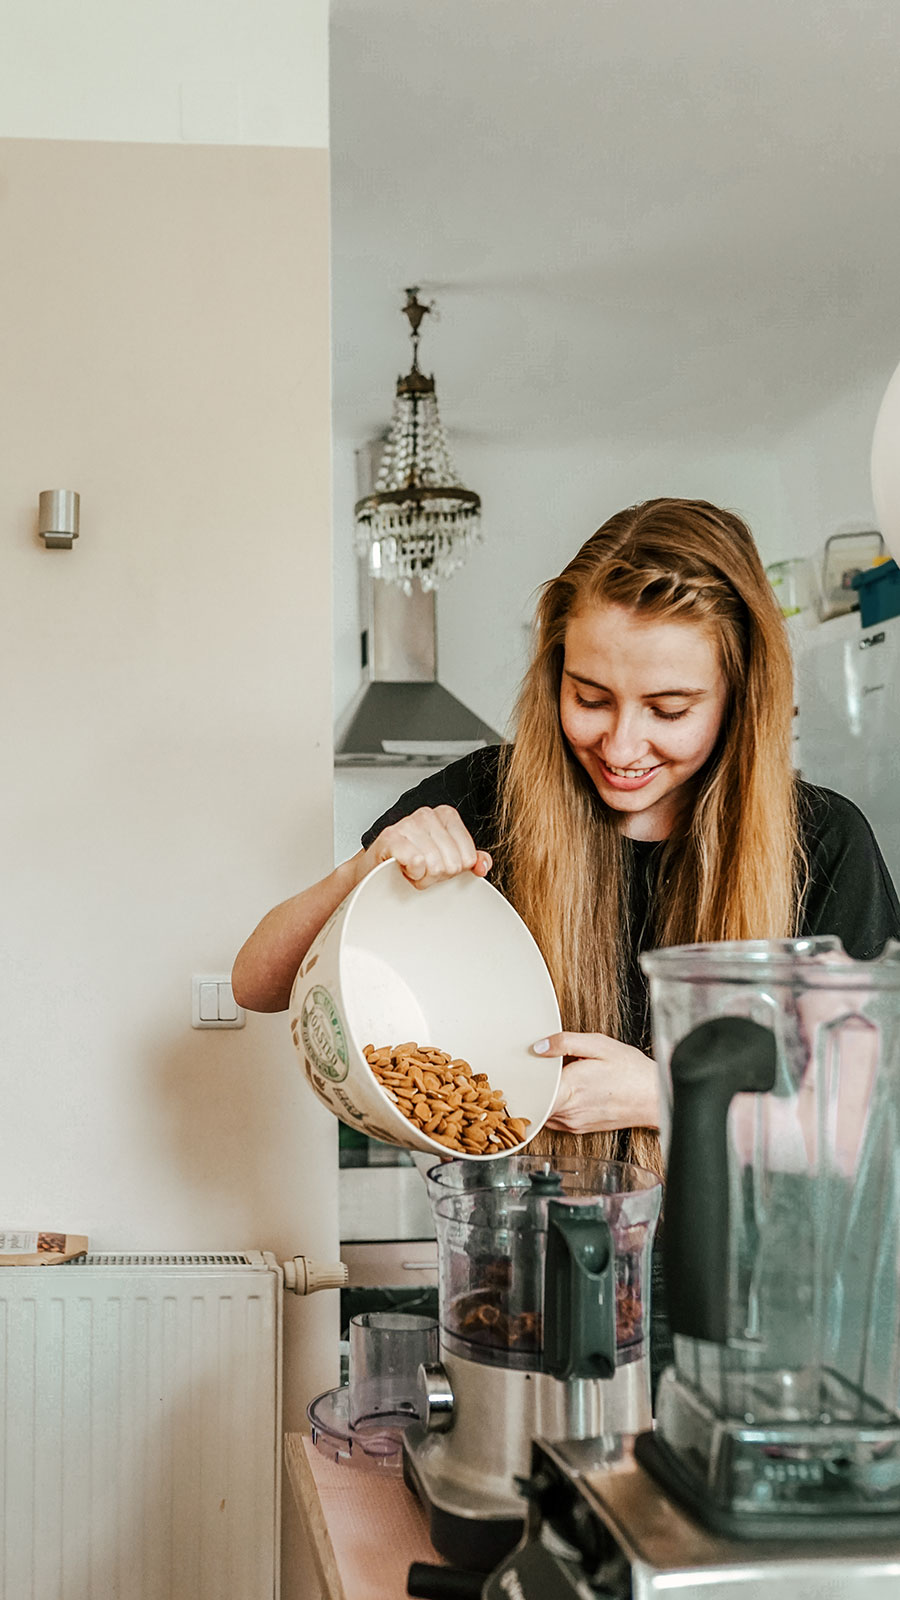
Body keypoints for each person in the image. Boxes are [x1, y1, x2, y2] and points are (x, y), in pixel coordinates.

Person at [232, 495, 900, 1185]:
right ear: (555, 672)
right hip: (517, 1266)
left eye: (668, 709)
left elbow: (862, 1130)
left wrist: (662, 1097)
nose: (621, 745)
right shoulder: (488, 797)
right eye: (589, 697)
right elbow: (257, 982)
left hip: (737, 1284)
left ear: (741, 694)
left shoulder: (824, 843)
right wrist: (365, 868)